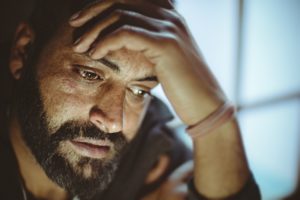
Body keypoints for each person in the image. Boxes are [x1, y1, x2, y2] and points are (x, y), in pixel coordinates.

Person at [0, 0, 261, 199]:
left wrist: (213, 114)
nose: (114, 122)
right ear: (23, 52)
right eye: (90, 74)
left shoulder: (150, 154)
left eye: (139, 91)